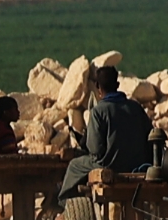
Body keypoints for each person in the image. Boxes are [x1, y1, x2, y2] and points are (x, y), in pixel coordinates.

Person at [57, 63, 155, 204]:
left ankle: (64, 206)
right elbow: (150, 137)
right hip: (139, 164)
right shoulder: (135, 107)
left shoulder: (98, 111)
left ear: (97, 87)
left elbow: (95, 150)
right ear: (117, 84)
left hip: (110, 165)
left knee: (75, 165)